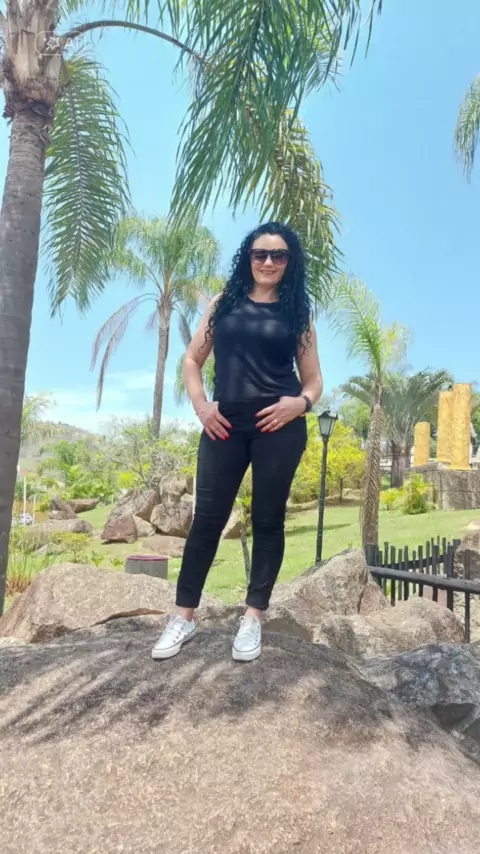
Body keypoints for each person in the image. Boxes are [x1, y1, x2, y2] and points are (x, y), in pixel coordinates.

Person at [152, 222, 323, 662]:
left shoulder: (297, 313)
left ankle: (252, 617)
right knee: (207, 519)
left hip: (279, 425)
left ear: (289, 262)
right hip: (222, 424)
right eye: (260, 254)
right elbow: (191, 360)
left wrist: (300, 404)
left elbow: (314, 380)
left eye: (278, 255)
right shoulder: (222, 303)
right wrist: (201, 407)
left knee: (268, 519)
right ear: (248, 257)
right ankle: (183, 617)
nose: (268, 262)